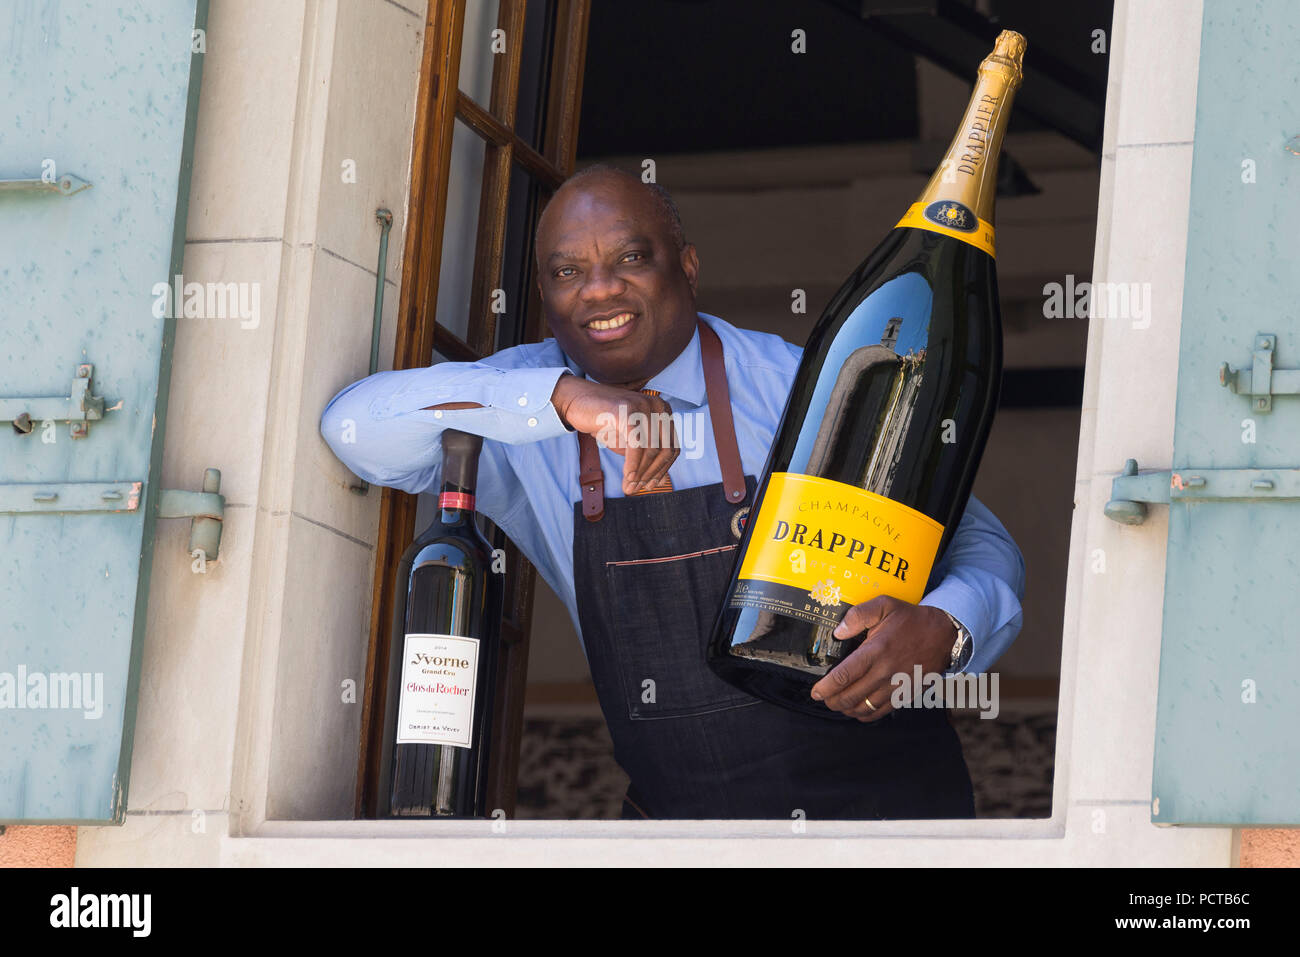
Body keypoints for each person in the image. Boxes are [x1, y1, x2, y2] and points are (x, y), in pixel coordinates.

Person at [321, 165, 1026, 820]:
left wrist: (947, 627)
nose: (598, 289)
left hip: (893, 825)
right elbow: (351, 425)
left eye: (630, 258)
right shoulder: (522, 412)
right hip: (681, 834)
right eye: (568, 271)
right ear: (545, 295)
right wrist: (563, 399)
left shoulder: (797, 384)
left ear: (687, 267)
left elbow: (977, 539)